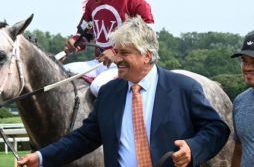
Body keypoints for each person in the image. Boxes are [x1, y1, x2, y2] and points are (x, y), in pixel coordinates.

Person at [18, 16, 230, 167]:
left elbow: (216, 129)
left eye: (124, 53)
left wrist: (193, 149)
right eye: (116, 52)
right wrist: (42, 157)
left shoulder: (184, 88)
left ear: (147, 55)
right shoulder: (110, 93)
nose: (117, 59)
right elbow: (83, 138)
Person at [64, 0, 154, 96]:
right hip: (99, 64)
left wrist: (116, 52)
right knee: (62, 72)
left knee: (98, 86)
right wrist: (74, 42)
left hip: (125, 65)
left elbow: (148, 34)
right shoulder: (93, 1)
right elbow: (84, 35)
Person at [231, 33, 254, 167]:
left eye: (253, 62)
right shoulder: (240, 102)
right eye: (244, 61)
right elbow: (239, 149)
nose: (247, 68)